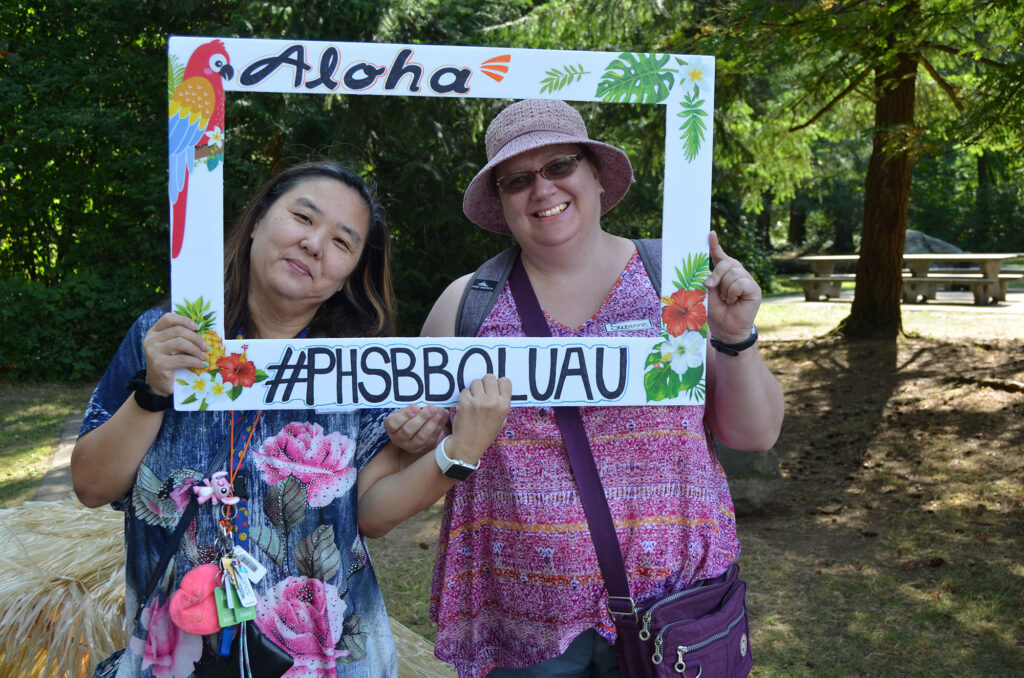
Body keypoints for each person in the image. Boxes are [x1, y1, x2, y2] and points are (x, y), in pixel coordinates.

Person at [388, 100, 785, 678]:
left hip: (675, 615)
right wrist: (418, 435)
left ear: (597, 174)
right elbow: (427, 452)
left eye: (559, 165)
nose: (542, 189)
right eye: (517, 180)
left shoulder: (673, 283)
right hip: (525, 635)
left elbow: (754, 434)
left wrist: (733, 335)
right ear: (501, 203)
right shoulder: (464, 305)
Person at [71, 160, 510, 678]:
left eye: (342, 243)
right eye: (303, 217)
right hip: (179, 656)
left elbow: (373, 514)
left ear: (351, 273)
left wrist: (458, 453)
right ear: (258, 218)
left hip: (330, 661)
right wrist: (152, 392)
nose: (314, 244)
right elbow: (91, 486)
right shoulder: (167, 337)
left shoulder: (359, 368)